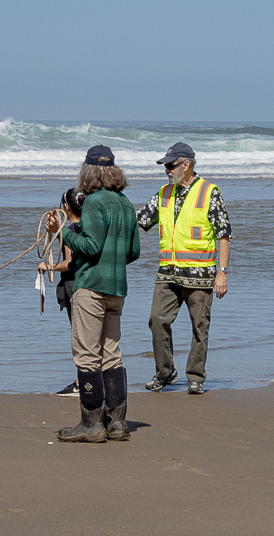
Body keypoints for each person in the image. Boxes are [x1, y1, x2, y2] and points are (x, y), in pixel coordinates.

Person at [45, 146, 140, 443]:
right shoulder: (125, 203)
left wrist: (63, 230)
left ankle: (92, 424)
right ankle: (117, 423)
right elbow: (134, 251)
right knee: (111, 353)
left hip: (92, 287)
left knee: (86, 354)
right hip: (117, 288)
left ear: (88, 172)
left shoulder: (94, 203)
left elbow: (90, 246)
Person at [137, 142, 232, 395]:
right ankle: (166, 372)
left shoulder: (209, 192)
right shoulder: (164, 193)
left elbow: (224, 234)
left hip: (200, 275)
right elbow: (140, 219)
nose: (166, 170)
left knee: (200, 327)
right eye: (165, 166)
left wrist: (222, 272)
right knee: (157, 320)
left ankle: (195, 377)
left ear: (186, 164)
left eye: (170, 165)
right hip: (167, 272)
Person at [38, 187, 85, 397]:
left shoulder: (71, 230)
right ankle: (88, 379)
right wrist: (52, 232)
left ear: (66, 207)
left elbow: (69, 263)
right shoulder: (87, 228)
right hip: (86, 283)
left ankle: (80, 382)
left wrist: (47, 267)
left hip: (73, 285)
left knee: (79, 336)